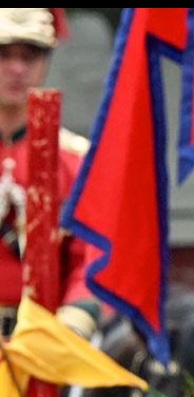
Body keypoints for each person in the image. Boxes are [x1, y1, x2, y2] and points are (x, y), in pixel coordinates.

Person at [0, 8, 98, 339]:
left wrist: (72, 325)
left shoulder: (74, 161)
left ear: (45, 62)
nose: (17, 68)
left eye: (29, 56)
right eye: (4, 55)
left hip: (45, 343)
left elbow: (90, 258)